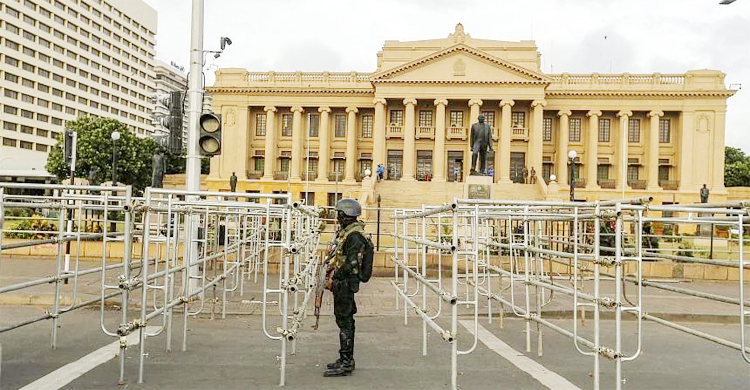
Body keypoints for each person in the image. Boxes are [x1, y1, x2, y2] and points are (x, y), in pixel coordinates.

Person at [324, 198, 367, 377]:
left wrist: (335, 278)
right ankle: (344, 358)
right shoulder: (347, 233)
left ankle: (347, 361)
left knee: (345, 321)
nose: (338, 217)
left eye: (340, 214)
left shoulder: (354, 236)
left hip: (346, 283)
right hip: (342, 282)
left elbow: (351, 263)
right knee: (343, 320)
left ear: (347, 215)